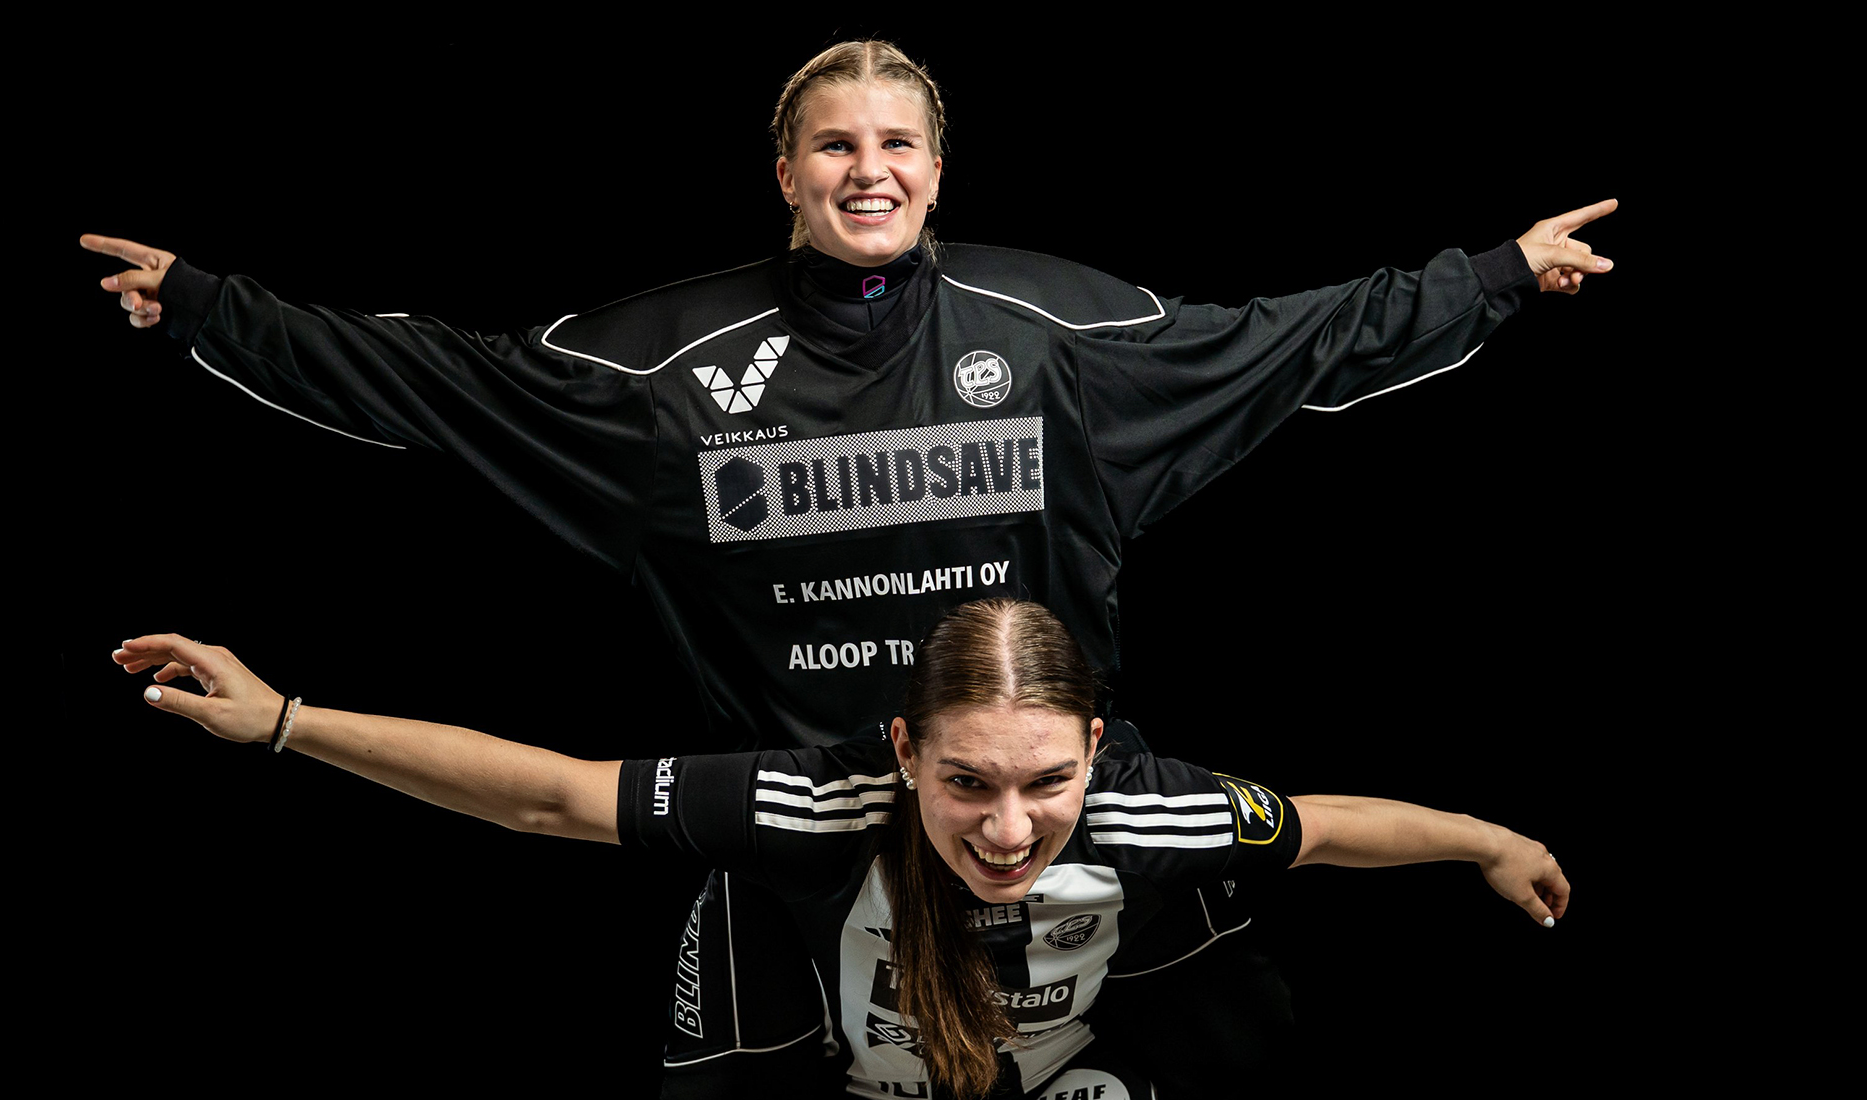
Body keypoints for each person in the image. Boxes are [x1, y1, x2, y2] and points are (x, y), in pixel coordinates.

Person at [82, 38, 1612, 1093]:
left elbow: (1293, 345)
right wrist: (220, 313)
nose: (867, 170)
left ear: (938, 171)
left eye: (896, 144)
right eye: (835, 144)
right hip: (808, 841)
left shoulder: (1056, 345)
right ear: (785, 172)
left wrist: (1489, 278)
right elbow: (443, 385)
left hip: (1055, 827)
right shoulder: (672, 374)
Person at [112, 597, 1568, 1099]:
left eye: (1048, 783)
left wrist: (1488, 841)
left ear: (1095, 747)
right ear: (902, 752)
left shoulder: (1152, 808)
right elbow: (547, 796)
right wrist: (287, 719)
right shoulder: (815, 805)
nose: (1009, 829)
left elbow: (1329, 830)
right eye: (966, 785)